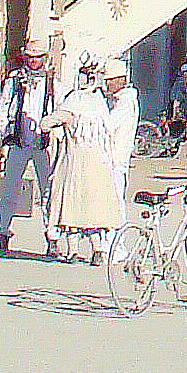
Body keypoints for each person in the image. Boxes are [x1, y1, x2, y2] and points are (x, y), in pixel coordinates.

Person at [48, 63, 122, 260]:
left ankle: (73, 251)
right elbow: (110, 132)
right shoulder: (100, 104)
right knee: (94, 210)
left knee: (72, 209)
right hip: (99, 166)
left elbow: (45, 124)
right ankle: (97, 251)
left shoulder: (72, 104)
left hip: (74, 164)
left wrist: (60, 124)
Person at [0, 41, 60, 256]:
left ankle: (52, 238)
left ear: (45, 57)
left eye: (38, 56)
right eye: (30, 57)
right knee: (9, 190)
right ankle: (3, 233)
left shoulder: (52, 82)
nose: (34, 61)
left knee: (48, 192)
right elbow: (3, 108)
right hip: (19, 143)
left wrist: (52, 136)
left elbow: (59, 111)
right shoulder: (15, 79)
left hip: (44, 145)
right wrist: (7, 134)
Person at [99, 63, 140, 206]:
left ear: (121, 80)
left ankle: (117, 227)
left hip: (117, 157)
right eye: (106, 81)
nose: (108, 84)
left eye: (111, 80)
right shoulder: (118, 100)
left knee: (115, 200)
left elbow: (108, 124)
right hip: (112, 157)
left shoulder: (125, 102)